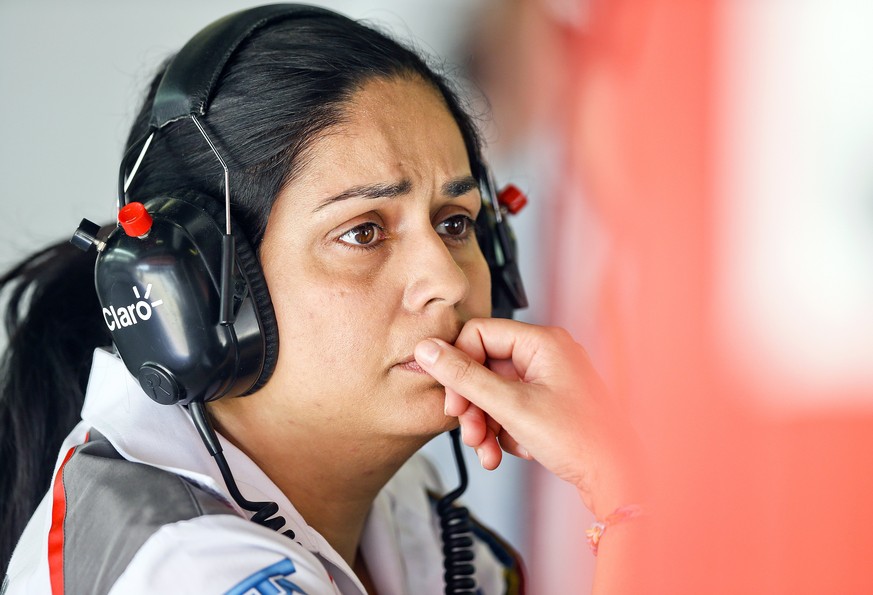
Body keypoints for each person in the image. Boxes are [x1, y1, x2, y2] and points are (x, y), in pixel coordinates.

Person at [0, 4, 641, 594]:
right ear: (199, 294)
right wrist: (628, 502)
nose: (447, 280)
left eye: (455, 222)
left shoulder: (401, 507)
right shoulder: (188, 573)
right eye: (364, 232)